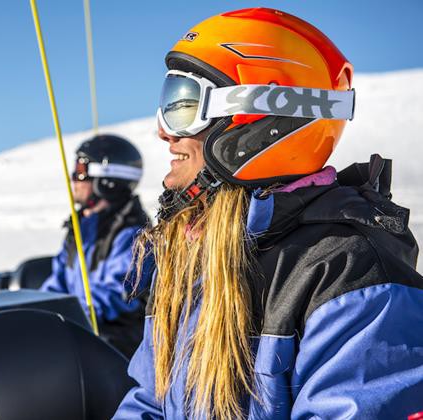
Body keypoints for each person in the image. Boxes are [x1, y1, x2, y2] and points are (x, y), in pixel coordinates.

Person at [114, 7, 423, 419]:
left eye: (183, 106)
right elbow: (149, 402)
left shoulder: (347, 273)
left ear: (260, 122)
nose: (164, 131)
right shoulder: (188, 255)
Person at [41, 134, 151, 358]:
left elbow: (119, 295)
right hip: (80, 332)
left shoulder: (133, 235)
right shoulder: (78, 231)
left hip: (119, 345)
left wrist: (68, 315)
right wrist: (36, 313)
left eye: (81, 172)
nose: (74, 180)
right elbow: (56, 285)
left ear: (107, 181)